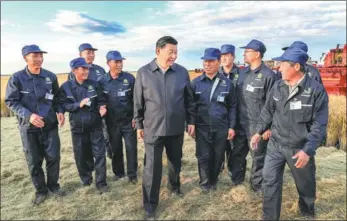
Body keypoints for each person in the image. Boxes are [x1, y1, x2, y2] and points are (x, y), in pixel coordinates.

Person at [250, 47, 329, 220]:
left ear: (296, 67)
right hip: (276, 145)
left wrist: (307, 150)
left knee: (305, 184)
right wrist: (258, 131)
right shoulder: (278, 86)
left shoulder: (316, 90)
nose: (279, 68)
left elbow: (319, 124)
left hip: (299, 148)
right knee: (269, 180)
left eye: (283, 64)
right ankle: (270, 217)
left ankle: (307, 211)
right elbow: (268, 111)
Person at [133, 36, 196, 219]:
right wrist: (139, 124)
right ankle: (150, 205)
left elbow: (189, 101)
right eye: (171, 52)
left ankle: (174, 186)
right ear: (158, 51)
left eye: (176, 52)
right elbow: (138, 101)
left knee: (175, 161)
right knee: (152, 168)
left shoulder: (182, 72)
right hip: (153, 128)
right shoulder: (144, 72)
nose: (174, 56)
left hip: (176, 128)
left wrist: (191, 121)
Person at [5, 44, 65, 205]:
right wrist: (29, 116)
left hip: (50, 126)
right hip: (29, 128)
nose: (39, 59)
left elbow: (57, 98)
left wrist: (59, 111)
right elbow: (11, 101)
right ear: (26, 58)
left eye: (40, 56)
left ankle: (53, 186)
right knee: (34, 160)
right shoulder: (16, 78)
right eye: (35, 56)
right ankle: (41, 191)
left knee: (53, 158)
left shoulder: (50, 77)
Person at [231, 39, 277, 192]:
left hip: (257, 126)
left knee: (258, 157)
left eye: (247, 51)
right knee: (237, 153)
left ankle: (256, 187)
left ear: (257, 54)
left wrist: (268, 127)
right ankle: (237, 182)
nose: (243, 54)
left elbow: (272, 104)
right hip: (240, 123)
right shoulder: (242, 73)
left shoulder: (269, 75)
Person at [59, 57, 108, 194]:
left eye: (87, 68)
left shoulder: (94, 84)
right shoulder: (66, 87)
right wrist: (77, 105)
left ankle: (101, 183)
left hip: (95, 125)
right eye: (83, 68)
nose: (87, 71)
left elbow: (101, 100)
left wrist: (102, 107)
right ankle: (86, 179)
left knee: (99, 154)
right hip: (78, 128)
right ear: (74, 70)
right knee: (80, 155)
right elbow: (62, 104)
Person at [192, 48, 236, 192]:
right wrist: (190, 123)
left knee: (218, 156)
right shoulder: (195, 83)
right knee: (203, 156)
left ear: (218, 62)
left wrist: (232, 126)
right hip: (202, 127)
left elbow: (232, 106)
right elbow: (190, 107)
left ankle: (214, 180)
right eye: (205, 61)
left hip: (221, 127)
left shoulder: (227, 83)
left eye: (211, 61)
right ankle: (205, 183)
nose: (207, 64)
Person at [67, 43, 112, 160]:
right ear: (80, 54)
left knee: (106, 136)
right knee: (87, 143)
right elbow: (72, 93)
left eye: (93, 53)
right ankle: (90, 163)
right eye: (88, 52)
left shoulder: (100, 70)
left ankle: (108, 157)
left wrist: (103, 105)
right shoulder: (74, 73)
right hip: (84, 114)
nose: (91, 55)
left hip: (100, 110)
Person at [99, 50, 138, 184]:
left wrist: (136, 117)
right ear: (108, 63)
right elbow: (100, 99)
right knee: (115, 149)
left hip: (128, 121)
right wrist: (101, 107)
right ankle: (119, 173)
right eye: (116, 62)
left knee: (131, 148)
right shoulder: (102, 81)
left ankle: (132, 175)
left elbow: (136, 99)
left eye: (121, 61)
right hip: (111, 122)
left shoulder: (130, 78)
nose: (119, 64)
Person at [219, 44, 241, 177]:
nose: (224, 58)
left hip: (237, 117)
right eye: (222, 56)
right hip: (220, 118)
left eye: (227, 55)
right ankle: (218, 172)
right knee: (219, 148)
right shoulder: (216, 74)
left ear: (233, 57)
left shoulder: (242, 74)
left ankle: (234, 175)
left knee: (234, 149)